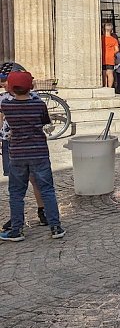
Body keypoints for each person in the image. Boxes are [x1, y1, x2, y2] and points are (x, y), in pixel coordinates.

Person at [0, 71, 65, 241]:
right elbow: (45, 122)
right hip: (39, 153)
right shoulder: (39, 104)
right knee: (47, 190)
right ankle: (55, 227)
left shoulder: (6, 106)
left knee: (16, 193)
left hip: (18, 154)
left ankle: (16, 230)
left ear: (10, 88)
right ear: (31, 86)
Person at [0, 65, 48, 231]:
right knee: (15, 183)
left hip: (26, 143)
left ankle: (43, 211)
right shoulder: (3, 98)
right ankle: (16, 218)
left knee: (35, 180)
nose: (3, 83)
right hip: (10, 143)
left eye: (5, 80)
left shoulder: (32, 97)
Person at [102, 23, 119, 88]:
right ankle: (110, 87)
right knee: (110, 73)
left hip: (103, 58)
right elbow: (117, 50)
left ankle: (105, 86)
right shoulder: (114, 40)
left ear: (103, 30)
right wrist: (112, 53)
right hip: (110, 58)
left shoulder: (101, 38)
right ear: (111, 30)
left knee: (104, 73)